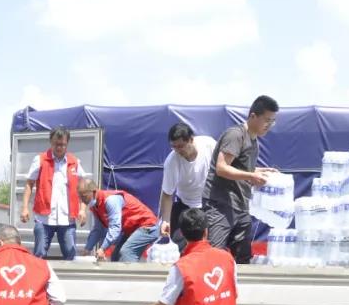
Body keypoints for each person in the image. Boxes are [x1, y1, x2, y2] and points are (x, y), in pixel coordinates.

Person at [202, 95, 279, 264]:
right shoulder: (236, 135)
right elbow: (222, 168)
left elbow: (240, 168)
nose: (269, 125)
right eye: (267, 120)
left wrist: (259, 171)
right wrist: (251, 175)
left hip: (240, 206)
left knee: (243, 257)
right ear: (253, 116)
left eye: (273, 121)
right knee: (215, 254)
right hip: (220, 204)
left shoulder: (254, 140)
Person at [20, 126, 89, 260]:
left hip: (67, 219)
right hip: (44, 218)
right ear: (50, 142)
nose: (59, 147)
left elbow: (85, 187)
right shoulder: (40, 159)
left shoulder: (75, 162)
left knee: (70, 257)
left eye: (62, 144)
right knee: (39, 255)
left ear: (67, 144)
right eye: (56, 144)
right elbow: (29, 184)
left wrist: (83, 210)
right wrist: (25, 208)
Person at [159, 122, 216, 250]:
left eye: (181, 146)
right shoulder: (172, 161)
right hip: (186, 206)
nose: (178, 151)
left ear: (191, 139)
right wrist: (165, 221)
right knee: (177, 245)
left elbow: (224, 165)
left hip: (210, 204)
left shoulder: (209, 145)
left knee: (213, 244)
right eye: (174, 147)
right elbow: (167, 194)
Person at [78, 179, 161, 262]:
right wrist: (87, 248)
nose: (83, 201)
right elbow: (98, 229)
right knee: (116, 256)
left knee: (127, 252)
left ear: (94, 192)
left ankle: (132, 271)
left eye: (84, 197)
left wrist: (102, 249)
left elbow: (115, 229)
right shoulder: (96, 206)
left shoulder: (111, 201)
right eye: (80, 197)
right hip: (133, 229)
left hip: (148, 225)